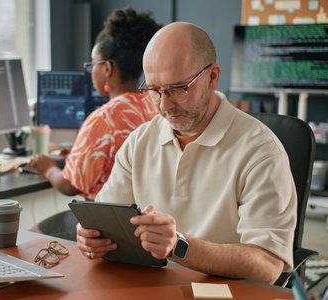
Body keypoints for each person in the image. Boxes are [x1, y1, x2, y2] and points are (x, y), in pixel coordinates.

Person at [76, 22, 297, 285]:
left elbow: (268, 266)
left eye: (179, 88)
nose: (165, 105)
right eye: (154, 90)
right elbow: (106, 219)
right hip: (151, 286)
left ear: (212, 77)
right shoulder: (139, 141)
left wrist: (179, 246)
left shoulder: (261, 151)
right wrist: (90, 236)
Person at [28, 6, 162, 240]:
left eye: (92, 65)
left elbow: (70, 185)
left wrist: (48, 168)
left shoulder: (104, 118)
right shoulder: (154, 104)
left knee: (27, 239)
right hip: (147, 222)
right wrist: (76, 156)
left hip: (107, 224)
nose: (91, 72)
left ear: (108, 68)